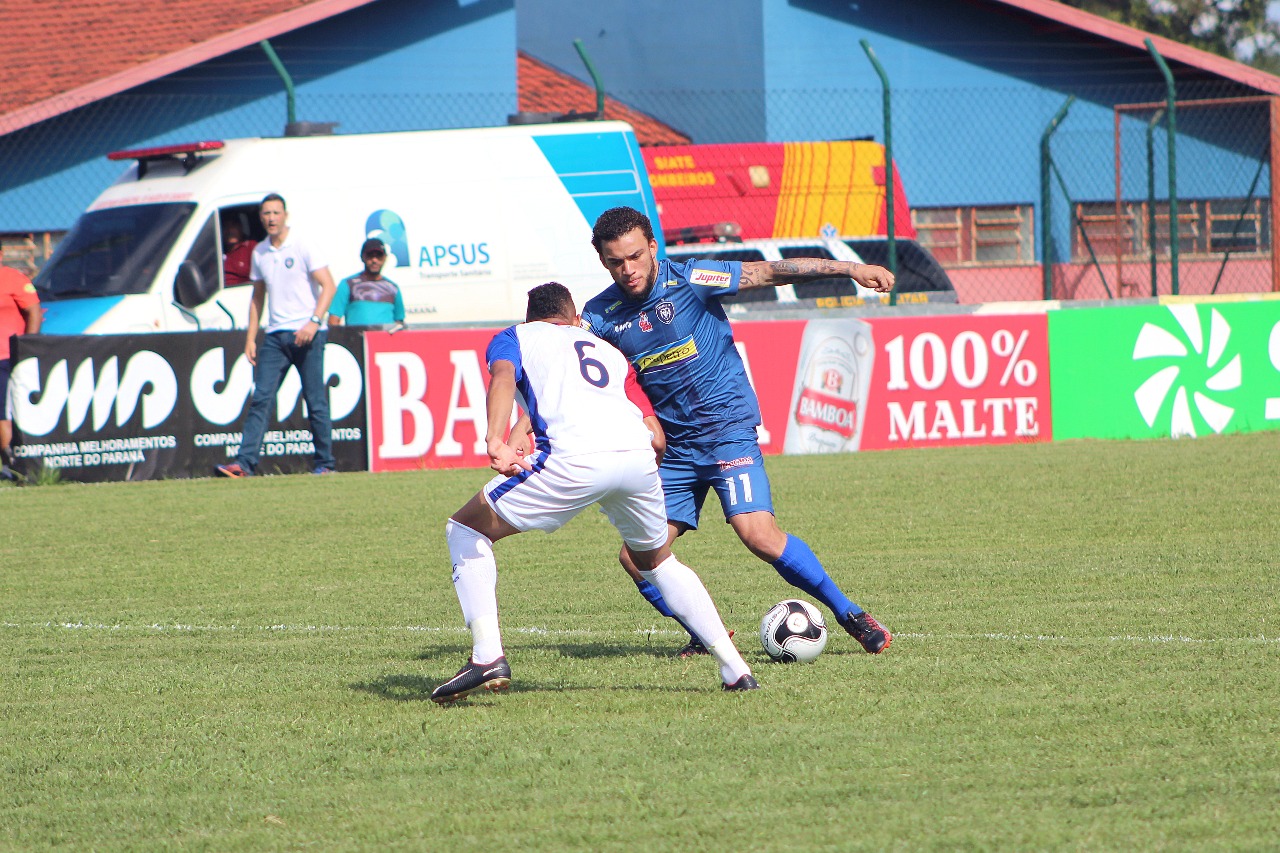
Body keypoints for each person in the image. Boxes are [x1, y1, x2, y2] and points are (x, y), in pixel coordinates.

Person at [581, 206, 895, 657]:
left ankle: (851, 615)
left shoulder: (692, 279)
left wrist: (851, 268)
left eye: (635, 256)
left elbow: (768, 272)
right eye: (616, 262)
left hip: (727, 430)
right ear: (603, 262)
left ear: (653, 248)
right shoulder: (601, 316)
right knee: (635, 558)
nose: (628, 270)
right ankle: (705, 632)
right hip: (675, 451)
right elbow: (567, 360)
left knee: (759, 535)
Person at [431, 281, 756, 703]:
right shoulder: (607, 350)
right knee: (658, 561)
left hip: (573, 459)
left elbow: (503, 375)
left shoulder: (515, 337)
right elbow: (654, 434)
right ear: (573, 317)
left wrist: (495, 438)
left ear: (532, 317)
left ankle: (487, 656)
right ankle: (736, 669)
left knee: (465, 529)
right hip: (636, 456)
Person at [216, 194, 337, 478]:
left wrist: (313, 322)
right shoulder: (259, 252)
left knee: (314, 400)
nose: (271, 218)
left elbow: (329, 286)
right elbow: (257, 297)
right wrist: (250, 338)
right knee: (261, 398)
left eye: (276, 213)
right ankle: (244, 464)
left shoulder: (303, 245)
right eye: (266, 214)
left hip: (307, 334)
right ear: (261, 218)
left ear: (285, 215)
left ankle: (325, 464)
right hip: (275, 336)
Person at [1, 245, 41, 481]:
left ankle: (12, 467)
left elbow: (33, 311)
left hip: (6, 356)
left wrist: (29, 345)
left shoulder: (13, 279)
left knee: (3, 414)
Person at [327, 238, 405, 330]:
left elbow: (399, 323)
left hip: (386, 342)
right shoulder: (348, 284)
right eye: (370, 256)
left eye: (379, 256)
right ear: (362, 257)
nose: (374, 260)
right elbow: (333, 320)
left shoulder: (393, 288)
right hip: (356, 341)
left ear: (385, 258)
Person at [222, 218, 257, 287]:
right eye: (226, 227)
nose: (230, 231)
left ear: (240, 228)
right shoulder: (215, 250)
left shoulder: (251, 247)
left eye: (233, 226)